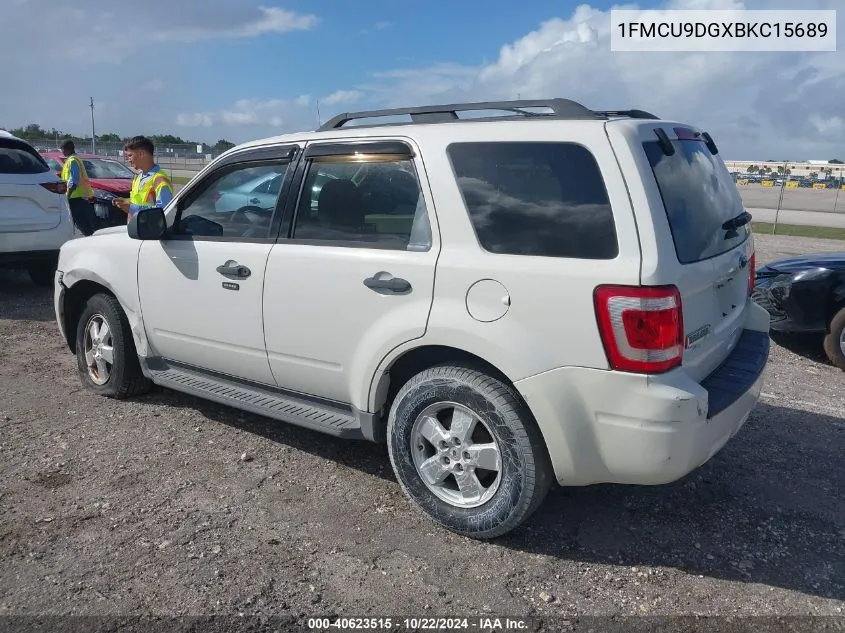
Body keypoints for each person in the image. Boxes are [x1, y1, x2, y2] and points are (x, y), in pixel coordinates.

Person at [113, 136, 174, 220]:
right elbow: (139, 201)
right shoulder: (138, 177)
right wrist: (125, 202)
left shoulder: (160, 179)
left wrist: (132, 208)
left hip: (151, 231)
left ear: (141, 154)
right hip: (137, 229)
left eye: (130, 155)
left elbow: (164, 210)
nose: (128, 160)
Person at [60, 140, 97, 236]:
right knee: (83, 225)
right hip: (80, 197)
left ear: (66, 149)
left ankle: (90, 242)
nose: (61, 152)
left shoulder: (72, 160)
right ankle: (90, 241)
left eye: (62, 149)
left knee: (80, 224)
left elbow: (74, 180)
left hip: (75, 198)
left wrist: (68, 195)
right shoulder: (75, 158)